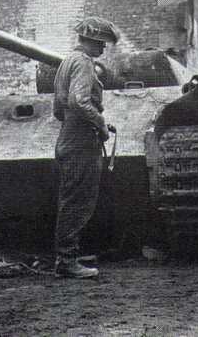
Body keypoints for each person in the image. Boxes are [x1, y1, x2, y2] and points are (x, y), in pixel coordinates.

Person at [53, 16, 120, 278]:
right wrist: (100, 124)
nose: (103, 49)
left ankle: (68, 255)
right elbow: (79, 101)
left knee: (70, 199)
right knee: (78, 202)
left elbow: (60, 108)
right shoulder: (83, 64)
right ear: (91, 41)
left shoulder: (67, 62)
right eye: (101, 44)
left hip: (69, 137)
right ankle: (67, 262)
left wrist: (80, 124)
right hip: (81, 142)